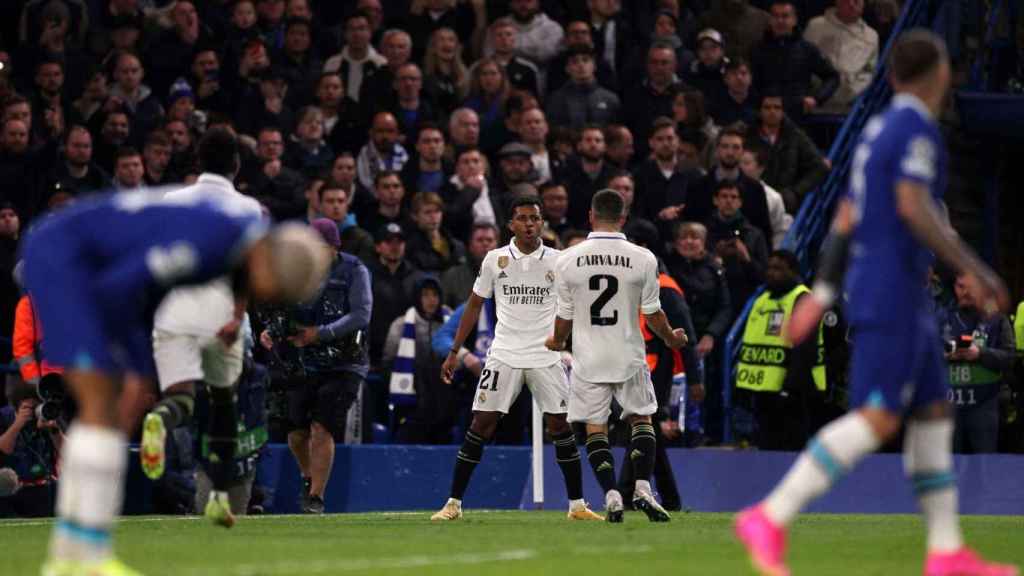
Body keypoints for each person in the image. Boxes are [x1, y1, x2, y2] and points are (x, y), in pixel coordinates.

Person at [735, 30, 1017, 576]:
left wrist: (821, 293)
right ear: (939, 76)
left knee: (934, 413)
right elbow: (915, 206)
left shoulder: (875, 132)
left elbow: (845, 217)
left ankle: (945, 550)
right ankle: (770, 515)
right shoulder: (915, 128)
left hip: (900, 294)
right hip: (891, 294)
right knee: (878, 418)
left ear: (889, 77)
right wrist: (974, 268)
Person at [22, 192, 330, 576]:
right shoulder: (211, 243)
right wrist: (126, 361)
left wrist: (139, 365)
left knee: (121, 404)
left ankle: (73, 553)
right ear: (268, 264)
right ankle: (82, 556)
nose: (269, 297)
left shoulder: (238, 240)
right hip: (67, 262)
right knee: (104, 402)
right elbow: (120, 286)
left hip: (92, 269)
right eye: (278, 290)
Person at [431, 196, 602, 522]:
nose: (529, 224)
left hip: (545, 355)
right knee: (481, 424)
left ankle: (577, 505)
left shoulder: (558, 260)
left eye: (534, 218)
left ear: (541, 222)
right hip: (504, 354)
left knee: (560, 425)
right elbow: (474, 305)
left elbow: (575, 306)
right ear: (510, 224)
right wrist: (454, 351)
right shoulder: (495, 260)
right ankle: (453, 503)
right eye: (522, 218)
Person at [134, 128, 264, 531]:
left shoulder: (170, 201)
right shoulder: (247, 207)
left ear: (198, 163)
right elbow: (247, 267)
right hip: (218, 314)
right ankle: (218, 501)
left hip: (172, 312)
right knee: (223, 403)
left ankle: (159, 418)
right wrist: (237, 316)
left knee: (183, 400)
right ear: (237, 166)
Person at [546, 189, 688, 523]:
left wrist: (557, 341)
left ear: (591, 216)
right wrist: (670, 338)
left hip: (588, 358)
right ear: (623, 218)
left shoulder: (567, 259)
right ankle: (641, 488)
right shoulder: (644, 258)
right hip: (629, 355)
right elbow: (653, 314)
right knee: (641, 419)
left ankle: (611, 494)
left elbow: (564, 317)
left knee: (596, 430)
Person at [260, 218, 371, 514]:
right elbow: (285, 308)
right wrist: (273, 330)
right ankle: (309, 477)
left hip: (345, 362)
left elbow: (361, 314)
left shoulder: (354, 270)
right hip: (304, 362)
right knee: (296, 432)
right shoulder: (298, 270)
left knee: (322, 427)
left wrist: (322, 334)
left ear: (335, 247)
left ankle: (316, 498)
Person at [736, 250, 826, 450]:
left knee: (790, 448)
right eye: (769, 268)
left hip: (791, 392)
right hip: (762, 389)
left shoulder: (802, 299)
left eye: (778, 269)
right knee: (765, 447)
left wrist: (790, 388)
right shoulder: (763, 298)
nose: (771, 273)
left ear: (793, 272)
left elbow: (805, 349)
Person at [936, 273, 1016, 454]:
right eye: (961, 287)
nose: (966, 292)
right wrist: (944, 354)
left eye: (971, 287)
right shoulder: (942, 317)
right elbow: (923, 356)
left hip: (985, 406)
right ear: (954, 288)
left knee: (985, 467)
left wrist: (980, 353)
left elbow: (1010, 358)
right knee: (950, 468)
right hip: (949, 407)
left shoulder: (996, 318)